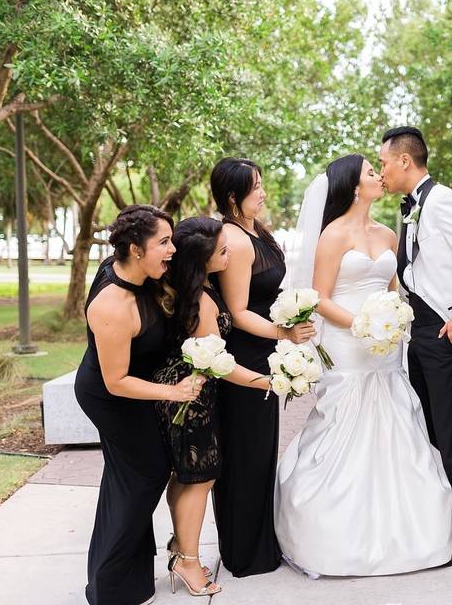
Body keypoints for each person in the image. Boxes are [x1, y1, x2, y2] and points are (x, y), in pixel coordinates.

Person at [274, 155, 452, 576]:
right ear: (354, 187)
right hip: (347, 339)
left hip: (385, 344)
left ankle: (409, 533)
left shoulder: (389, 234)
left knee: (394, 417)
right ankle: (333, 533)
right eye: (371, 173)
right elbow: (319, 297)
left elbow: (394, 287)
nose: (380, 176)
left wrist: (395, 318)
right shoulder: (333, 235)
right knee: (346, 418)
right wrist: (361, 325)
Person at [74, 205, 200, 605]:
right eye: (163, 243)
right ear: (134, 248)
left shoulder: (140, 275)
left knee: (126, 477)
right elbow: (116, 381)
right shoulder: (112, 304)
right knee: (146, 473)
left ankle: (130, 578)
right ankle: (110, 585)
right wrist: (174, 392)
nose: (171, 250)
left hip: (130, 387)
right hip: (109, 395)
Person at [379, 126, 452, 565]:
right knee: (429, 430)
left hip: (445, 334)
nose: (383, 170)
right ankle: (442, 521)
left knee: (450, 432)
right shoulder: (412, 206)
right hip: (420, 332)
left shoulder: (442, 200)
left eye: (385, 161)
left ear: (405, 160)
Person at [153, 217, 273, 596]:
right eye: (221, 250)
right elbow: (219, 364)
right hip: (192, 397)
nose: (228, 253)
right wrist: (269, 381)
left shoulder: (198, 287)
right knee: (200, 477)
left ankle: (181, 547)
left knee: (188, 475)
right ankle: (188, 561)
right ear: (201, 258)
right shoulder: (203, 302)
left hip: (189, 390)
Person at [208, 158, 315, 577]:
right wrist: (284, 334)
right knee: (244, 455)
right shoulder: (233, 239)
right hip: (244, 357)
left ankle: (258, 542)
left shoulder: (256, 231)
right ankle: (243, 552)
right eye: (255, 187)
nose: (263, 192)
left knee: (259, 453)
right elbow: (236, 311)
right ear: (233, 196)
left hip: (263, 350)